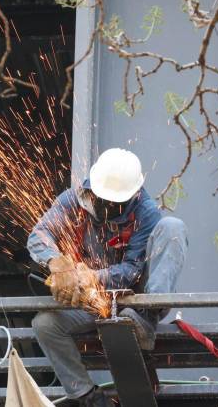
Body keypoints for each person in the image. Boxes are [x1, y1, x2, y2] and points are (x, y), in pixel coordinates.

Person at [28, 148, 188, 407]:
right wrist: (58, 264)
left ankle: (145, 324)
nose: (108, 207)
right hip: (95, 302)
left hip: (135, 302)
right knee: (45, 324)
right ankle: (85, 396)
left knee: (173, 227)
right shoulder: (73, 200)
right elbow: (38, 236)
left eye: (116, 204)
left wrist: (91, 277)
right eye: (103, 200)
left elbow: (131, 271)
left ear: (133, 194)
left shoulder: (145, 212)